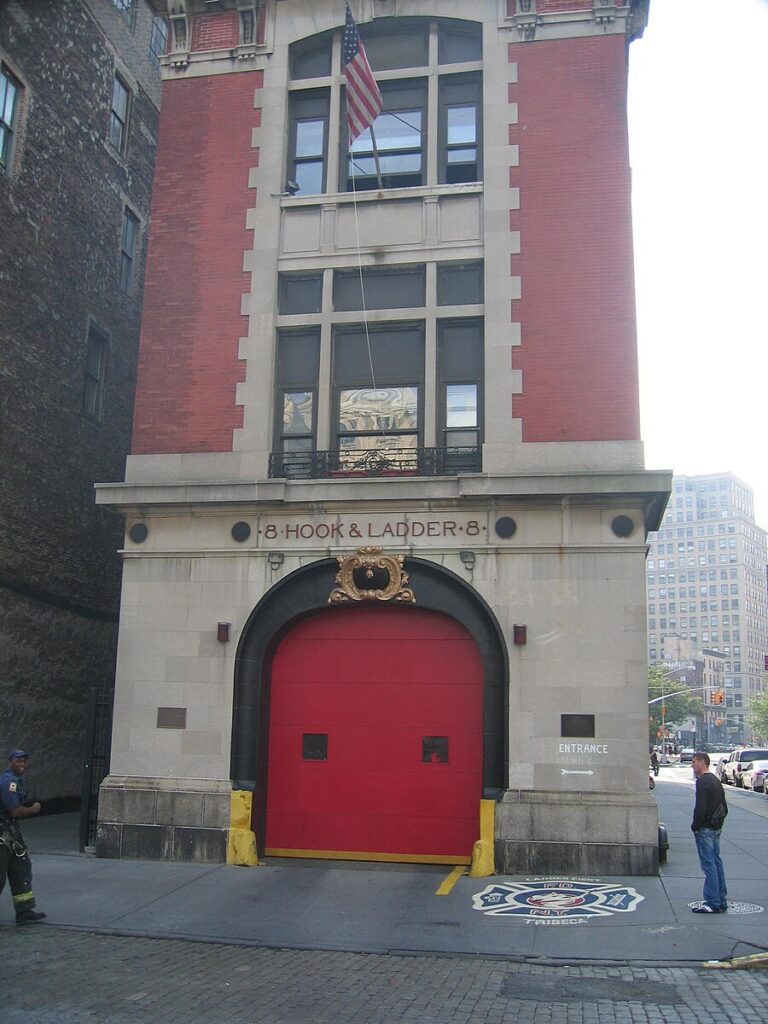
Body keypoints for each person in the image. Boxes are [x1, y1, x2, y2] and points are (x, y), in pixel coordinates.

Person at [0, 749, 47, 923]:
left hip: (11, 833)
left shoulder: (16, 780)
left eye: (24, 761)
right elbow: (15, 811)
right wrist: (34, 809)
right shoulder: (8, 782)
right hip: (3, 835)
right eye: (18, 761)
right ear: (10, 762)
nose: (22, 764)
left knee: (21, 870)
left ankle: (24, 910)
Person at [690, 751, 728, 914]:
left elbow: (700, 807)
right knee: (716, 863)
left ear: (702, 763)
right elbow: (724, 807)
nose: (692, 765)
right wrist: (717, 822)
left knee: (709, 865)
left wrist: (696, 826)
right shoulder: (715, 780)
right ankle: (721, 899)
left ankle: (712, 902)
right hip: (715, 827)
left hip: (705, 828)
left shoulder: (702, 782)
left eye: (694, 762)